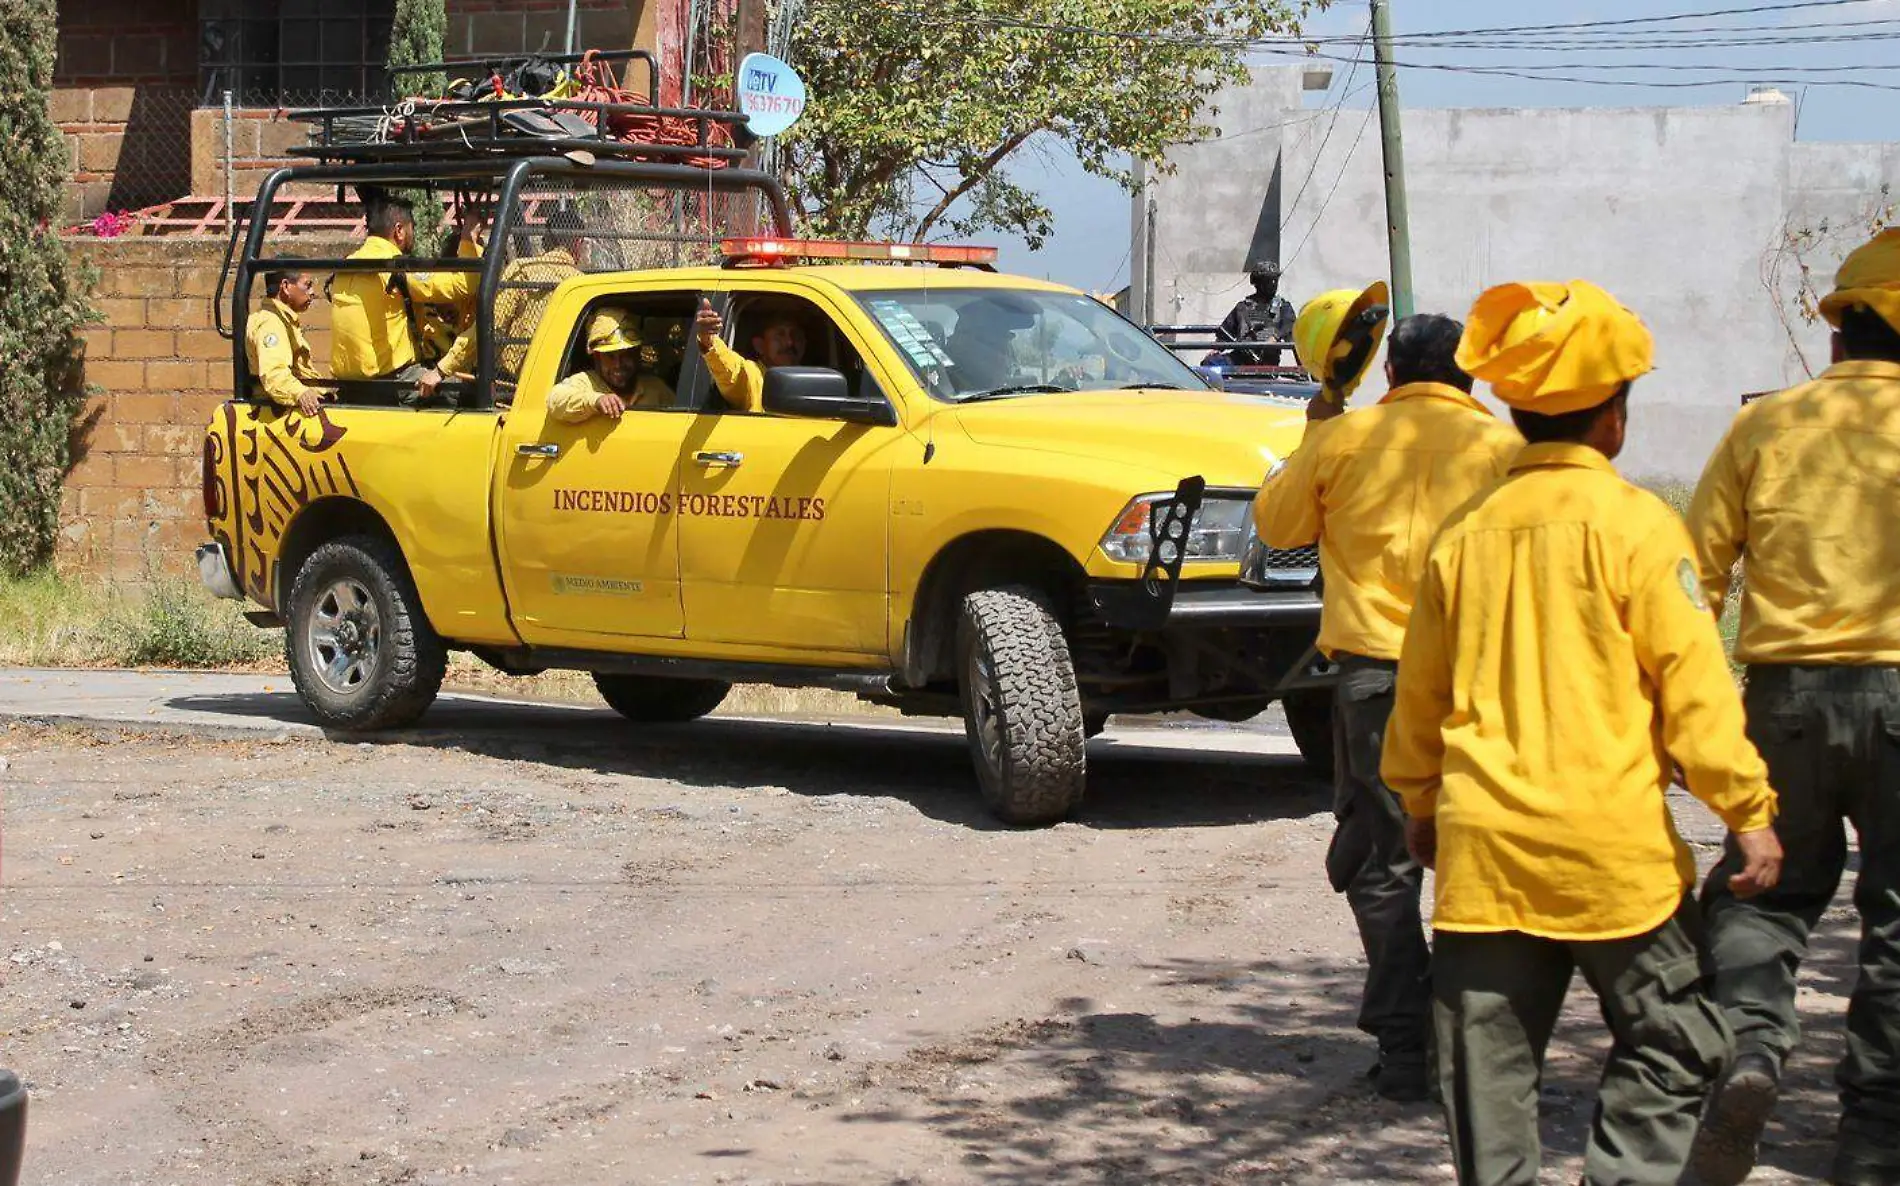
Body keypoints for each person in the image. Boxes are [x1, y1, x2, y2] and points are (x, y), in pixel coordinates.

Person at [1382, 279, 1784, 1185]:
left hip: (1485, 855)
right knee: (1677, 1040)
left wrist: (1419, 802)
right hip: (1615, 857)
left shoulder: (1463, 535)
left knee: (1484, 1086)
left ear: (1516, 410)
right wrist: (1746, 810)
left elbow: (1420, 699)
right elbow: (1695, 689)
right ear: (1615, 419)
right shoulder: (1641, 528)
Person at [1254, 311, 1522, 1102]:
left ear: (1393, 376)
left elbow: (1278, 523)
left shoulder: (1345, 440)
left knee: (1382, 865)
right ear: (1469, 375)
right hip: (1483, 682)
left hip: (1377, 681)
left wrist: (1319, 425)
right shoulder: (1507, 452)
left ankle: (1408, 1050)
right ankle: (1476, 1047)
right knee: (1481, 862)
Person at [1685, 228, 1900, 1186]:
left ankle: (1751, 1049)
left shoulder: (1765, 425)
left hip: (1787, 699)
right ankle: (1873, 1141)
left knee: (1764, 890)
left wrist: (1694, 706)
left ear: (1839, 334)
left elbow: (1696, 577)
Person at [329, 190, 477, 402]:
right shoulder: (395, 266)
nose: (413, 235)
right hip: (391, 382)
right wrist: (468, 238)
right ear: (399, 230)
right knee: (467, 393)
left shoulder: (347, 265)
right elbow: (465, 285)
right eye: (411, 228)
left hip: (349, 386)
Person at [438, 204, 588, 388]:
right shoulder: (581, 284)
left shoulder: (522, 271)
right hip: (562, 382)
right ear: (578, 242)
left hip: (514, 385)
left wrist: (442, 369)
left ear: (544, 240)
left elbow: (491, 326)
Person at [544, 308, 673, 423]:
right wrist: (596, 401)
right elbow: (555, 400)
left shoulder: (655, 388)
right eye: (610, 356)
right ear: (597, 357)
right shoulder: (585, 382)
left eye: (626, 355)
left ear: (636, 354)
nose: (618, 364)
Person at [245, 265, 327, 418]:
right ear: (286, 287)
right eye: (307, 285)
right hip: (280, 412)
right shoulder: (271, 323)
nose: (312, 292)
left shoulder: (284, 320)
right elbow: (274, 374)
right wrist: (301, 393)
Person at [691, 298, 795, 413]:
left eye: (796, 335)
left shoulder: (810, 379)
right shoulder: (753, 374)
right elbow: (730, 370)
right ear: (759, 345)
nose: (790, 342)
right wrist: (708, 340)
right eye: (780, 334)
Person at [1218, 262, 1297, 367]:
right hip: (1241, 359)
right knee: (1210, 363)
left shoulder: (1283, 307)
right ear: (1258, 283)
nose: (1273, 284)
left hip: (1267, 362)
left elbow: (1290, 325)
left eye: (1275, 280)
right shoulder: (1242, 307)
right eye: (1269, 281)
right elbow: (1226, 332)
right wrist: (1216, 349)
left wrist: (1275, 337)